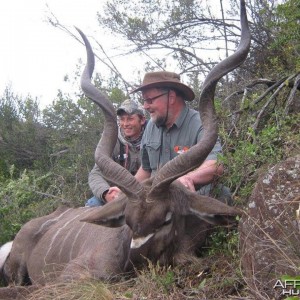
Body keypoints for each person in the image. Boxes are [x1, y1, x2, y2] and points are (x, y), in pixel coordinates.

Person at [132, 71, 231, 203]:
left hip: (185, 199)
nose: (145, 106)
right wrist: (125, 189)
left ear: (171, 97)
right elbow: (146, 170)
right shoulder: (151, 126)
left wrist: (188, 178)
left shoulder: (199, 123)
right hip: (154, 201)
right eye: (144, 100)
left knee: (222, 193)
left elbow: (215, 165)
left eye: (149, 100)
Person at [85, 99, 146, 207]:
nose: (125, 124)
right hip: (119, 194)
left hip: (146, 193)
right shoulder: (112, 140)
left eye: (130, 119)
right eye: (122, 119)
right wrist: (106, 193)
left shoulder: (153, 137)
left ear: (142, 120)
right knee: (93, 204)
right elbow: (96, 173)